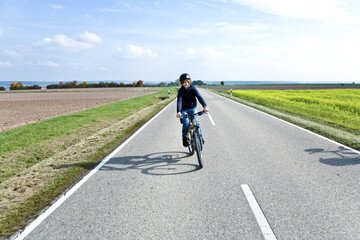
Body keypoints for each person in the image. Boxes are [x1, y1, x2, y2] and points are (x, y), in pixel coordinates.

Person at [176, 73, 209, 147]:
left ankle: (201, 138)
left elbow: (199, 97)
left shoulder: (193, 89)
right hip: (183, 110)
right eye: (183, 82)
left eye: (187, 82)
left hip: (192, 108)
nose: (185, 83)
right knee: (186, 123)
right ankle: (184, 137)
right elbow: (179, 101)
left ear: (189, 81)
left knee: (196, 123)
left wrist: (205, 106)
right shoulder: (180, 91)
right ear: (181, 83)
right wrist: (178, 112)